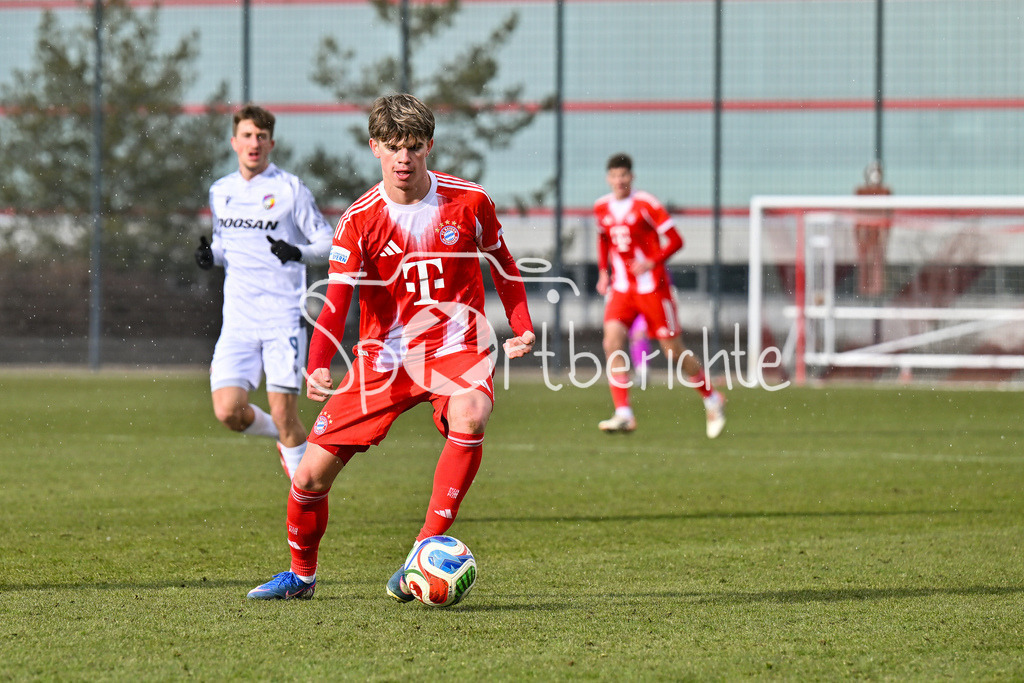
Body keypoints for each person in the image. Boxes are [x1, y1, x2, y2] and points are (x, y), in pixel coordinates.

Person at [246, 93, 536, 601]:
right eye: (394, 147)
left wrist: (522, 324)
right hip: (383, 358)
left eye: (414, 147)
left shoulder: (470, 201)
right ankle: (301, 577)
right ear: (375, 147)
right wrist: (318, 364)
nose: (404, 158)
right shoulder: (359, 219)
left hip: (456, 346)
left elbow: (504, 264)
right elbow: (336, 301)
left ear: (429, 147)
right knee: (310, 476)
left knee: (470, 414)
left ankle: (423, 552)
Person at [195, 104, 333, 479]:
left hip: (281, 317)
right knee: (227, 412)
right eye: (246, 135)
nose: (253, 143)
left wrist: (297, 252)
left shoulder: (290, 189)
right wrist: (212, 255)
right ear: (234, 142)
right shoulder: (220, 191)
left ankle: (305, 500)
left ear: (271, 143)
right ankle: (284, 436)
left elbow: (328, 242)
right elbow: (227, 245)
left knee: (287, 413)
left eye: (260, 136)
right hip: (237, 319)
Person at [594, 153, 725, 438]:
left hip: (652, 288)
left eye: (624, 175)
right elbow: (603, 238)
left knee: (672, 351)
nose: (619, 180)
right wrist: (604, 272)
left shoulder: (646, 204)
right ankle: (624, 413)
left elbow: (676, 240)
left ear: (632, 177)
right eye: (614, 175)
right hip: (622, 289)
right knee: (611, 341)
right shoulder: (601, 207)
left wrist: (652, 261)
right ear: (608, 178)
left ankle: (711, 397)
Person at [854, 160, 892, 298]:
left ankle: (876, 290)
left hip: (878, 231)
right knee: (864, 261)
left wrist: (884, 231)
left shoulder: (884, 192)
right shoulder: (861, 192)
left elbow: (887, 213)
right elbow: (858, 213)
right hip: (866, 230)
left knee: (877, 260)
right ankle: (864, 290)